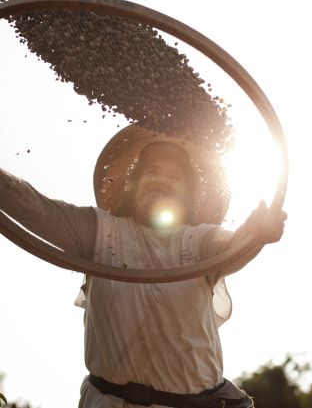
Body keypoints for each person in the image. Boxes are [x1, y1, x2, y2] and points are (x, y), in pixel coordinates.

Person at [0, 124, 287, 408]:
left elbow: (233, 248)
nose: (160, 180)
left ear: (189, 194)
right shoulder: (102, 232)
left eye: (173, 175)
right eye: (152, 171)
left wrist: (254, 233)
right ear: (133, 185)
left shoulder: (196, 241)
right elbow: (34, 206)